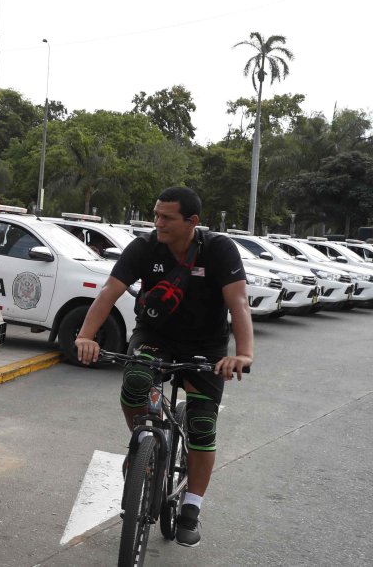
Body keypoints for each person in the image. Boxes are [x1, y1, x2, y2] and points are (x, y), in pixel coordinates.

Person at [73, 186, 254, 548]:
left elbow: (238, 303)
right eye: (156, 215)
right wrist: (85, 336)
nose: (158, 223)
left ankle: (192, 507)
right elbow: (109, 291)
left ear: (192, 222)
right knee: (136, 378)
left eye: (167, 218)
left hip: (206, 343)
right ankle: (142, 439)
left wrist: (243, 353)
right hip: (155, 334)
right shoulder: (145, 247)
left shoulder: (218, 249)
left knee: (202, 422)